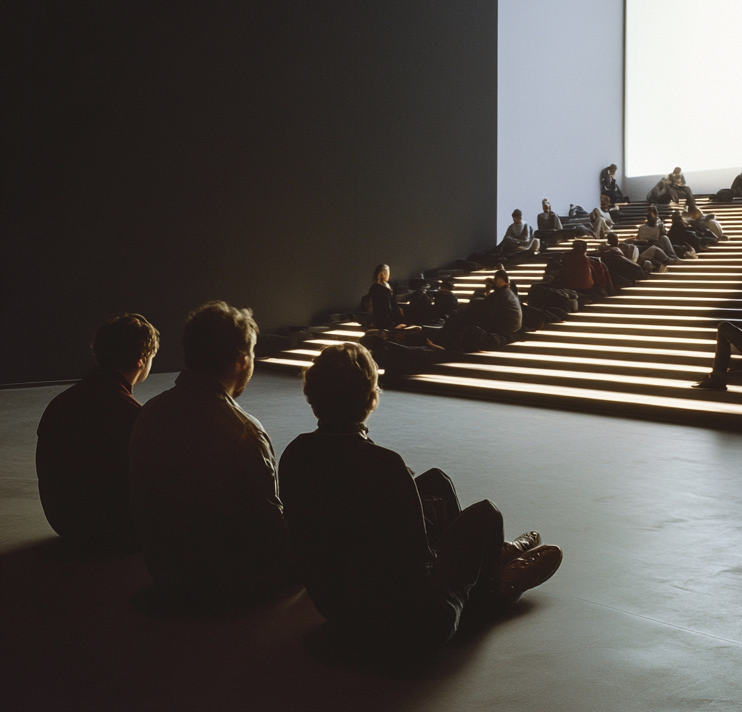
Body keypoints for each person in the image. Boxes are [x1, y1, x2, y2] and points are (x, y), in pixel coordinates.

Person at [278, 343, 562, 659]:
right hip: (414, 623)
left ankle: (492, 561)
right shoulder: (384, 465)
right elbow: (419, 564)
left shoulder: (294, 455)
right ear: (371, 398)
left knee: (435, 481)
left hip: (337, 608)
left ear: (312, 396)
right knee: (486, 514)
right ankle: (493, 584)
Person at [130, 301, 294, 614]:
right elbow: (271, 536)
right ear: (242, 360)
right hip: (224, 585)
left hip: (164, 571)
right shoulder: (244, 432)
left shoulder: (149, 413)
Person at [35, 313, 160, 555]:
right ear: (141, 360)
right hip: (114, 533)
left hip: (65, 524)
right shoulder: (132, 415)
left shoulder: (60, 403)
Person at [369, 263, 405, 329]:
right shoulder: (383, 288)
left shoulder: (374, 287)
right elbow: (387, 305)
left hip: (377, 316)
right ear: (384, 273)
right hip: (385, 317)